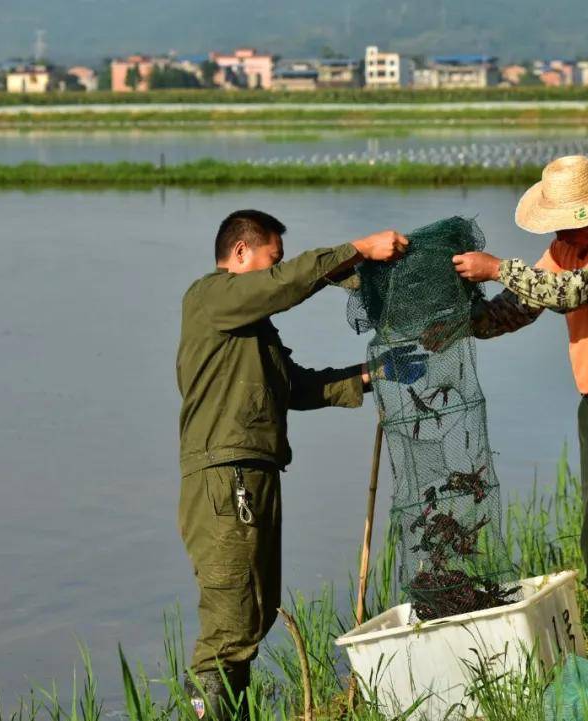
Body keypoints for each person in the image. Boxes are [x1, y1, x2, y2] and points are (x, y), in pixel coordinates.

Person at [176, 210, 424, 719]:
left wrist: (373, 374)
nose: (277, 269)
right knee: (231, 622)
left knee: (256, 613)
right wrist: (357, 247)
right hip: (226, 480)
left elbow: (298, 387)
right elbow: (286, 285)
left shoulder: (249, 327)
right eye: (272, 258)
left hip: (252, 476)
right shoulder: (211, 297)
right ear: (241, 253)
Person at [442, 155, 588, 664]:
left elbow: (573, 293)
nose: (568, 227)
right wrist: (458, 318)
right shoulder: (564, 248)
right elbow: (515, 310)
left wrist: (497, 266)